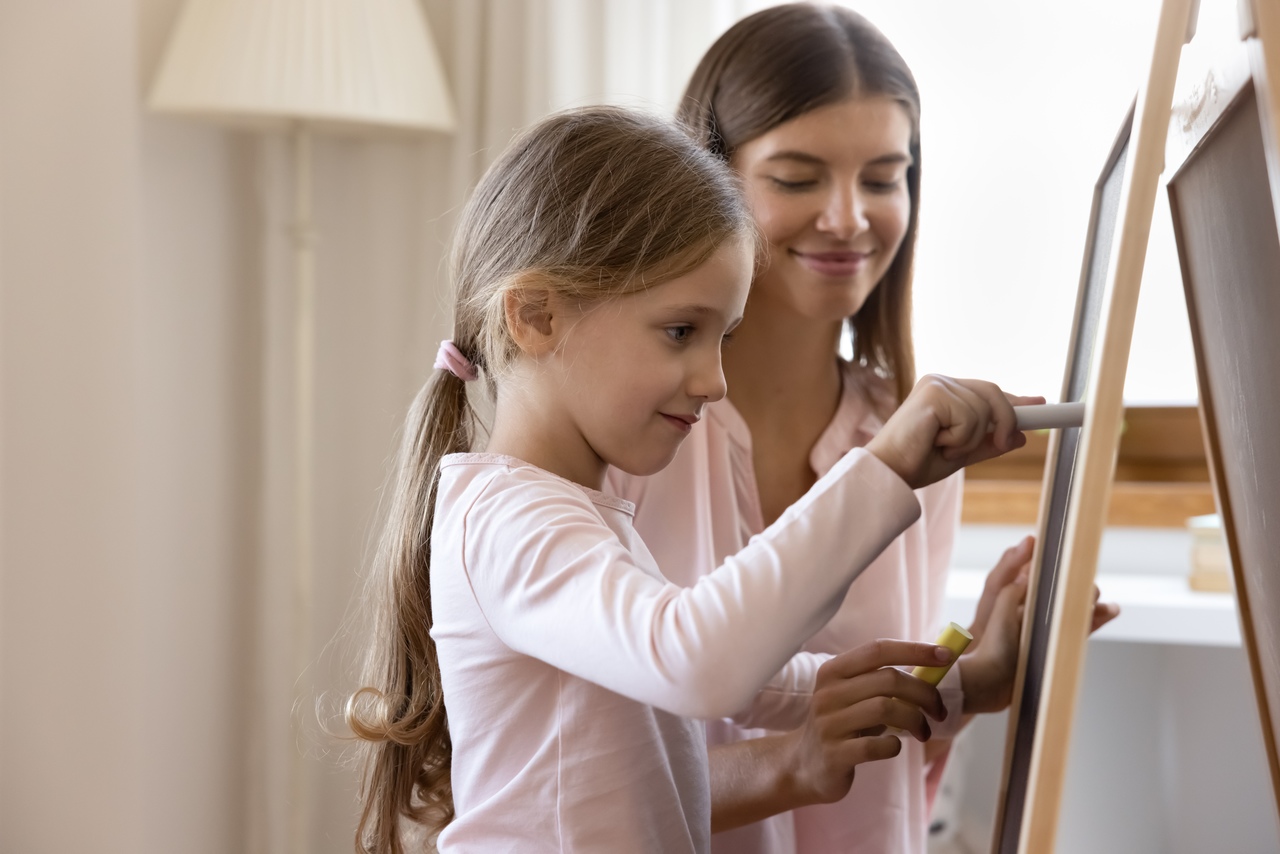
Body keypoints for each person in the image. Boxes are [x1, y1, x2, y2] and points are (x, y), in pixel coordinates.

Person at [345, 105, 1034, 853]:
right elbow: (697, 662)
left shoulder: (571, 514)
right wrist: (884, 466)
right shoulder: (508, 520)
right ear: (537, 316)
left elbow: (744, 680)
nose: (713, 381)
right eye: (681, 332)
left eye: (723, 338)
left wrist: (965, 681)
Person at [606, 5, 1119, 853]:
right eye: (799, 178)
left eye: (883, 178)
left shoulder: (914, 440)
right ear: (708, 182)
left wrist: (967, 682)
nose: (848, 218)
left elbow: (875, 776)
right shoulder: (627, 433)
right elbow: (578, 775)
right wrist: (796, 757)